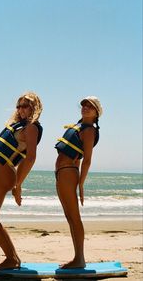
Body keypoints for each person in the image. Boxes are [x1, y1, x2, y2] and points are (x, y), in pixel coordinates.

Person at [0, 92, 43, 271]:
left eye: (26, 105)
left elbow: (30, 158)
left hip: (4, 175)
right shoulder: (19, 126)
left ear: (35, 107)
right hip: (0, 175)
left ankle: (12, 258)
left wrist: (18, 185)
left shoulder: (31, 128)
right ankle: (12, 257)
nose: (21, 109)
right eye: (19, 106)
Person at [55, 96, 103, 269]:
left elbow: (87, 160)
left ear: (97, 113)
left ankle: (79, 259)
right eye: (84, 105)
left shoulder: (89, 130)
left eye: (90, 106)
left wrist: (81, 184)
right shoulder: (79, 127)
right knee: (70, 217)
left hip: (69, 173)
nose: (85, 107)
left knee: (74, 217)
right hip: (63, 172)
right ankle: (78, 258)